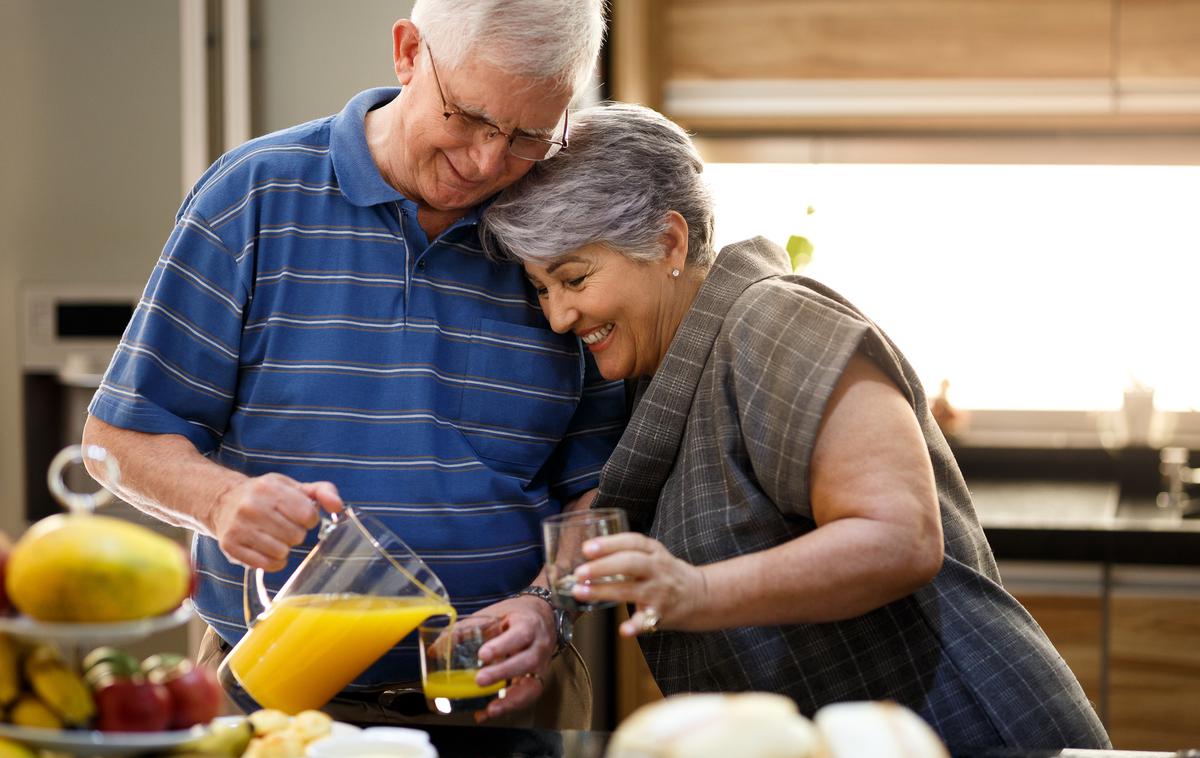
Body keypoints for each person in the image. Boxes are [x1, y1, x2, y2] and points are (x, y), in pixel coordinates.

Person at [479, 102, 1111, 749]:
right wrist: (543, 608)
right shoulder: (658, 369)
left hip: (967, 729)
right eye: (541, 289)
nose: (558, 316)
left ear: (669, 242)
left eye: (574, 278)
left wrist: (693, 590)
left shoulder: (775, 320)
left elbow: (900, 537)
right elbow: (615, 507)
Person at [81, 0, 624, 727]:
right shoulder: (253, 196)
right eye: (466, 117)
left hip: (500, 706)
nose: (487, 162)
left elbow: (606, 492)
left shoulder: (563, 240)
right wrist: (219, 501)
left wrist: (550, 605)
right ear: (406, 53)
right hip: (273, 701)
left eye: (528, 136)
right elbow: (117, 440)